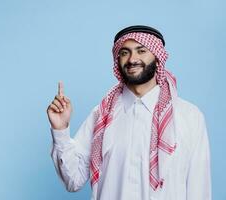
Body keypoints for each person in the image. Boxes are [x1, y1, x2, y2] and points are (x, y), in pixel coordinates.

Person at [46, 25, 211, 200]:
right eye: (125, 52)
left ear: (157, 57)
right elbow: (73, 180)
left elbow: (199, 189)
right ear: (118, 60)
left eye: (141, 51)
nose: (133, 59)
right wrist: (60, 130)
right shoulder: (101, 115)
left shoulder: (189, 116)